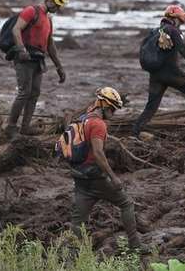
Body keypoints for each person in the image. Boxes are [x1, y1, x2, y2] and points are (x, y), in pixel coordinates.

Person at [71, 87, 144, 251]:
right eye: (112, 108)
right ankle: (135, 245)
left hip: (79, 176)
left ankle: (71, 255)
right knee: (126, 203)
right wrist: (113, 177)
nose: (113, 112)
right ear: (103, 105)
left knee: (77, 221)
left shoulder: (82, 119)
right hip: (96, 178)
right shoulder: (98, 124)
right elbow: (98, 153)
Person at [132, 4, 185, 138]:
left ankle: (135, 133)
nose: (184, 18)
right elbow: (182, 49)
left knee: (151, 106)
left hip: (156, 75)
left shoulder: (157, 31)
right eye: (182, 16)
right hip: (172, 74)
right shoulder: (173, 30)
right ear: (176, 17)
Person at [5, 0, 67, 139]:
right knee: (24, 92)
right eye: (57, 5)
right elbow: (16, 29)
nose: (58, 8)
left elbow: (50, 44)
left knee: (34, 93)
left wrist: (59, 66)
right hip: (24, 58)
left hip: (38, 60)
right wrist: (21, 50)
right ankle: (11, 127)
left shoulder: (48, 20)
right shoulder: (31, 11)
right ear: (50, 0)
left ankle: (25, 127)